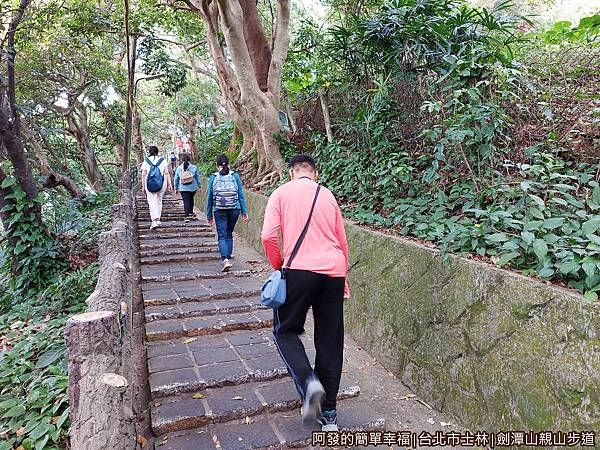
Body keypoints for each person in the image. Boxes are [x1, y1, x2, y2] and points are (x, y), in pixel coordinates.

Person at [260, 154, 350, 432]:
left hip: (299, 270)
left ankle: (309, 383)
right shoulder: (328, 195)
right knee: (330, 339)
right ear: (315, 173)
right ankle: (330, 416)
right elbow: (342, 241)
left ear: (291, 173)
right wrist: (343, 279)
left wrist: (280, 266)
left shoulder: (280, 193)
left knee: (285, 331)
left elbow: (267, 236)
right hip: (333, 272)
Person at [205, 155, 248, 272]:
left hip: (219, 209)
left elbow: (209, 197)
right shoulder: (235, 176)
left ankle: (225, 260)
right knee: (229, 233)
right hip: (235, 208)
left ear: (216, 164)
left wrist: (208, 214)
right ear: (228, 163)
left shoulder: (213, 177)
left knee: (222, 235)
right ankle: (228, 257)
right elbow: (240, 194)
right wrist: (244, 211)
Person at [141, 145, 172, 229]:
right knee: (159, 200)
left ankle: (154, 220)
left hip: (149, 183)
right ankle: (158, 220)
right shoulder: (163, 160)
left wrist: (143, 187)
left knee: (151, 201)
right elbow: (166, 172)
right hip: (162, 182)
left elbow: (143, 175)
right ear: (157, 152)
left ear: (149, 152)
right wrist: (169, 184)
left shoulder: (146, 161)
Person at [173, 155, 201, 223]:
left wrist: (175, 188)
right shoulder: (194, 167)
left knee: (186, 201)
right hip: (192, 187)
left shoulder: (179, 168)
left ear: (181, 160)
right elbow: (197, 177)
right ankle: (190, 212)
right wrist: (199, 186)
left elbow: (176, 179)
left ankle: (186, 216)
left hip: (183, 188)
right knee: (191, 199)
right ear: (189, 160)